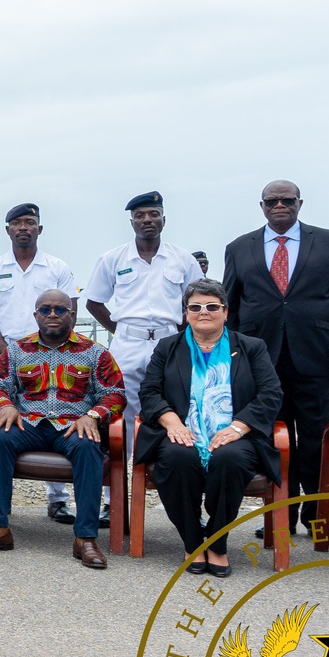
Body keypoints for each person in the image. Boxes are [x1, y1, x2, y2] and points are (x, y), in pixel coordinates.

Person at [221, 180, 329, 537]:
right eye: (272, 201)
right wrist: (233, 354)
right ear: (262, 206)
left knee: (317, 442)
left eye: (287, 200)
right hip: (261, 361)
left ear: (300, 203)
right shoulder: (239, 248)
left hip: (315, 358)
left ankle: (319, 524)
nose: (279, 206)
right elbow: (231, 308)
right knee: (270, 442)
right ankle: (279, 522)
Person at [135, 279, 282, 577]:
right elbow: (149, 392)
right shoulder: (168, 348)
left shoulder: (251, 347)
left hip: (235, 432)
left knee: (230, 459)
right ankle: (192, 541)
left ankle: (217, 542)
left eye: (212, 306)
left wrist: (239, 427)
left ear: (226, 312)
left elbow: (271, 394)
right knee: (177, 459)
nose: (204, 312)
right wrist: (171, 421)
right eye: (196, 307)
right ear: (185, 313)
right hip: (180, 429)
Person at [0, 290, 126, 567]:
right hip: (29, 423)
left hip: (73, 426)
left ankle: (85, 539)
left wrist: (93, 415)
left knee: (88, 446)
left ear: (72, 314)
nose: (52, 315)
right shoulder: (17, 350)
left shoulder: (96, 353)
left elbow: (115, 393)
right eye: (45, 310)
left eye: (60, 310)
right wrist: (5, 406)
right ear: (36, 315)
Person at [0, 202, 80, 527]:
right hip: (5, 354)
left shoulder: (57, 267)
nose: (23, 228)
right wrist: (10, 356)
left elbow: (68, 311)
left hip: (51, 356)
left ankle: (57, 500)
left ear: (39, 228)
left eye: (29, 222)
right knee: (0, 427)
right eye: (17, 223)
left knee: (57, 417)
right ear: (7, 230)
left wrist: (40, 352)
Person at [85, 190, 202, 484]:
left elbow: (198, 302)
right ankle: (112, 498)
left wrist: (179, 335)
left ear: (164, 219)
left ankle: (168, 484)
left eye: (153, 214)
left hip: (170, 343)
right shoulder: (113, 258)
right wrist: (119, 331)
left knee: (176, 409)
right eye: (140, 216)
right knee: (118, 414)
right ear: (132, 221)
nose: (147, 220)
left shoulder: (183, 259)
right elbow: (94, 301)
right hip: (127, 343)